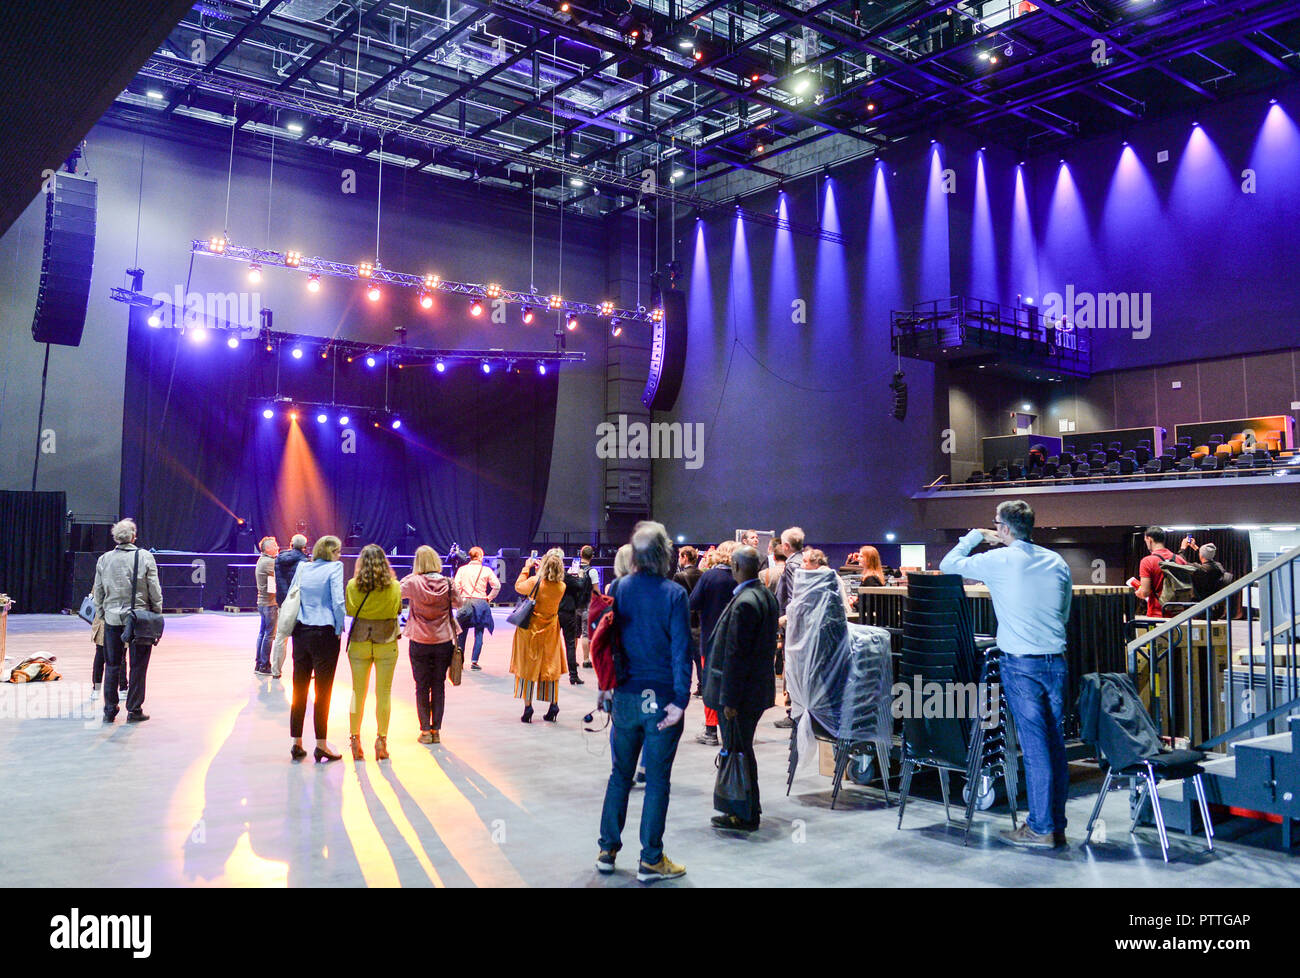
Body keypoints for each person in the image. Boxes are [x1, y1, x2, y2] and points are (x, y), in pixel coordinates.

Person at [939, 499, 1073, 848]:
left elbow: (948, 565)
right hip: (1056, 661)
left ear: (1004, 528)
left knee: (1035, 747)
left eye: (995, 524)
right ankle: (1054, 824)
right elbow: (1065, 610)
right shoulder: (1056, 561)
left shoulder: (998, 559)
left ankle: (1041, 828)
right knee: (1054, 745)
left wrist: (973, 537)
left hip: (1022, 664)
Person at [596, 521, 692, 882]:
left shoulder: (618, 587)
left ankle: (607, 849)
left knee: (620, 774)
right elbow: (682, 651)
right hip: (662, 699)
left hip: (624, 695)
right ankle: (650, 859)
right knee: (656, 781)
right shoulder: (674, 594)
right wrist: (681, 699)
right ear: (664, 553)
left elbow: (605, 643)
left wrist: (605, 688)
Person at [704, 545, 779, 832]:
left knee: (737, 750)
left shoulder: (746, 602)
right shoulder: (765, 596)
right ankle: (746, 808)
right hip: (756, 691)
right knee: (741, 749)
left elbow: (736, 656)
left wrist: (730, 700)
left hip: (741, 695)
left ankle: (743, 813)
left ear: (736, 567)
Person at [91, 518, 159, 723]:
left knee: (112, 664)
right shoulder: (145, 557)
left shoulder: (104, 559)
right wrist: (156, 611)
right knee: (138, 666)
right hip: (138, 618)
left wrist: (102, 613)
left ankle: (110, 709)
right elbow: (154, 589)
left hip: (112, 619)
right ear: (133, 537)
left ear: (116, 538)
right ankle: (134, 710)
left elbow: (98, 591)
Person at [288, 535, 346, 763]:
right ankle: (321, 744)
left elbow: (293, 595)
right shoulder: (335, 568)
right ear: (331, 552)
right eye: (338, 551)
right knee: (323, 690)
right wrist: (340, 627)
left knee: (298, 688)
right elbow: (338, 601)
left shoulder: (303, 567)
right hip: (324, 633)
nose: (340, 555)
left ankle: (296, 742)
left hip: (301, 632)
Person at [345, 544, 403, 761]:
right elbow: (396, 610)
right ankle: (381, 739)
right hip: (386, 641)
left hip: (359, 641)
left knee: (357, 692)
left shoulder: (352, 585)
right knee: (384, 693)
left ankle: (354, 738)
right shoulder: (395, 586)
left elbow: (350, 611)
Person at [402, 546, 463, 744]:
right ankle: (436, 730)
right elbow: (458, 603)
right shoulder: (448, 582)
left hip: (419, 640)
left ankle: (425, 731)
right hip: (443, 640)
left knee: (421, 686)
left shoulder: (412, 582)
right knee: (438, 686)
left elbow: (395, 592)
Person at [689, 540, 738, 745]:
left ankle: (711, 731)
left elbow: (693, 602)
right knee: (734, 685)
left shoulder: (710, 576)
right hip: (736, 642)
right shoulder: (740, 578)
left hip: (710, 639)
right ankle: (733, 729)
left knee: (711, 685)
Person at [510, 550, 567, 723]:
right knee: (550, 666)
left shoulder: (535, 581)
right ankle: (553, 705)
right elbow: (546, 589)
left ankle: (528, 707)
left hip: (530, 630)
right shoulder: (561, 587)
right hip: (550, 631)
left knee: (527, 667)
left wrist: (526, 569)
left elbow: (519, 586)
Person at [453, 547, 501, 670]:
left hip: (465, 602)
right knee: (479, 633)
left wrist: (460, 599)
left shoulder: (462, 570)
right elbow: (496, 586)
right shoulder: (486, 570)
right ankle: (474, 662)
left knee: (461, 634)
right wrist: (489, 598)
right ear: (480, 556)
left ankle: (460, 662)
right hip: (480, 603)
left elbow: (456, 587)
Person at [271, 534, 311, 679]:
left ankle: (276, 670)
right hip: (298, 602)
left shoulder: (279, 559)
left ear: (291, 544)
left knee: (281, 637)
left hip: (283, 601)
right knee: (302, 638)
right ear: (304, 546)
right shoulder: (305, 562)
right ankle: (304, 669)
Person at [1132, 526, 1188, 618]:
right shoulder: (1180, 560)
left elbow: (1145, 592)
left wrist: (1137, 592)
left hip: (1157, 615)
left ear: (1149, 539)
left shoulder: (1147, 561)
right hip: (1179, 615)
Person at [557, 550, 589, 686]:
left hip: (554, 611)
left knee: (551, 644)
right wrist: (580, 575)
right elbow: (580, 585)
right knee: (570, 644)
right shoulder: (565, 576)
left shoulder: (548, 576)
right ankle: (573, 675)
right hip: (568, 612)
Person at [1179, 536, 1233, 610]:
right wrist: (1195, 547)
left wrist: (1183, 548)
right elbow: (1206, 556)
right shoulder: (1218, 566)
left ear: (1201, 555)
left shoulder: (1200, 569)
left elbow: (1180, 561)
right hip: (1212, 604)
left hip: (1198, 606)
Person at [254, 535, 279, 676]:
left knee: (263, 633)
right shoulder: (269, 562)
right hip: (269, 603)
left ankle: (259, 663)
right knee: (269, 635)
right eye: (274, 545)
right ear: (268, 549)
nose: (277, 547)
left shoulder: (263, 560)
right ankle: (264, 664)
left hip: (263, 602)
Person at [91, 610, 127, 695]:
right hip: (109, 618)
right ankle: (97, 688)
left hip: (118, 618)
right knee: (102, 656)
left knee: (119, 656)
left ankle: (122, 688)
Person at [576, 545, 600, 668]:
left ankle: (572, 658)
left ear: (580, 555)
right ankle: (586, 660)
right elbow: (596, 591)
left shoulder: (572, 569)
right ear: (592, 556)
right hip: (587, 605)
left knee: (574, 634)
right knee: (586, 634)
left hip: (574, 605)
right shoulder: (593, 572)